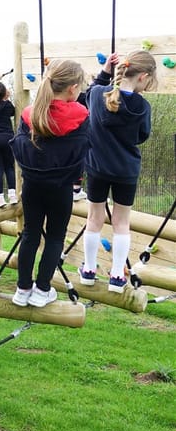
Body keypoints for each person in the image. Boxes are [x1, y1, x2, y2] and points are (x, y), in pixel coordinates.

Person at [9, 59, 89, 308]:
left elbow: (20, 146)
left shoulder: (30, 113)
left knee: (30, 233)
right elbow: (82, 149)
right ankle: (42, 289)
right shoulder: (80, 115)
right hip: (61, 186)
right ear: (73, 88)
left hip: (32, 184)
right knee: (55, 237)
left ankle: (22, 289)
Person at [80, 50, 157, 293]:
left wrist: (104, 73)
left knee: (94, 219)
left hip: (97, 167)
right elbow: (142, 136)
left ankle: (89, 271)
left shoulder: (96, 95)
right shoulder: (142, 107)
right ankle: (116, 276)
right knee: (122, 223)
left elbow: (90, 93)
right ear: (143, 77)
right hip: (126, 170)